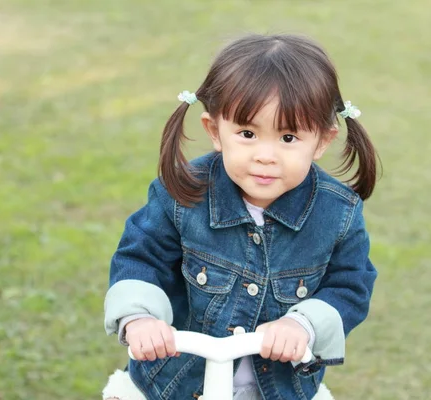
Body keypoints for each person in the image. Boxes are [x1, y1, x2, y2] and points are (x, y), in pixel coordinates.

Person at [102, 33, 378, 400]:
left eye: (289, 138)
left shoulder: (337, 213)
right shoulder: (181, 193)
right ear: (215, 131)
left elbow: (350, 286)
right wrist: (140, 317)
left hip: (277, 390)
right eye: (247, 133)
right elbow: (141, 258)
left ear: (322, 141)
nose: (266, 155)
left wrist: (302, 324)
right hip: (174, 383)